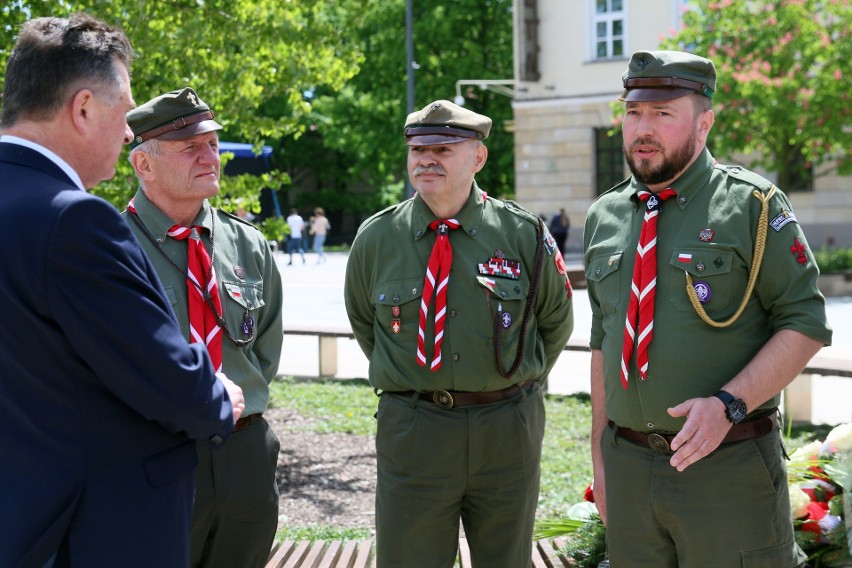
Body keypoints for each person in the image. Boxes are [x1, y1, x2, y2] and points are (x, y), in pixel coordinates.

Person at [0, 14, 243, 568]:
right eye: (123, 110)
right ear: (84, 109)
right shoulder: (74, 221)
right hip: (90, 532)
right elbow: (163, 376)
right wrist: (218, 398)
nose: (130, 131)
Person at [584, 50, 833, 567]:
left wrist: (729, 404)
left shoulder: (753, 206)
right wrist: (601, 461)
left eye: (663, 113)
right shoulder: (604, 215)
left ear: (704, 123)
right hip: (629, 470)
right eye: (633, 113)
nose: (642, 129)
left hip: (727, 470)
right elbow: (605, 340)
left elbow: (805, 322)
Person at [344, 99, 574, 567]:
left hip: (506, 430)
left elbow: (555, 321)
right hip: (414, 429)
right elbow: (366, 325)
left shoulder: (522, 233)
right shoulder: (376, 238)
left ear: (478, 158)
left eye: (444, 148)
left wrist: (508, 383)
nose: (427, 159)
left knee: (506, 559)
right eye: (417, 149)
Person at [123, 87, 284, 568]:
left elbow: (265, 349)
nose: (208, 156)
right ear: (144, 165)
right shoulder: (111, 247)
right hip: (157, 453)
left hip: (245, 454)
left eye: (212, 144)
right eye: (190, 147)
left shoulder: (246, 243)